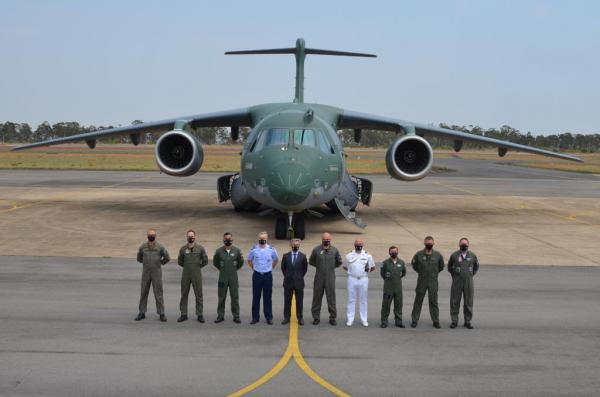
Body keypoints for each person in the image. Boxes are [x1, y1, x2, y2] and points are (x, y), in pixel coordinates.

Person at [135, 228, 170, 322]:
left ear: (155, 236)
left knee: (158, 293)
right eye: (150, 234)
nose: (151, 236)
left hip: (156, 273)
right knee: (143, 292)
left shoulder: (160, 247)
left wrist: (160, 263)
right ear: (147, 236)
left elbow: (167, 257)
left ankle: (161, 313)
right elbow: (139, 258)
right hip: (146, 272)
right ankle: (142, 312)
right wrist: (146, 263)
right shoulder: (143, 247)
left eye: (153, 234)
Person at [410, 236, 444, 329]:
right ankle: (414, 319)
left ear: (433, 243)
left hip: (433, 281)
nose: (429, 244)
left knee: (433, 301)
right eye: (427, 243)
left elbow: (441, 266)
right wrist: (422, 273)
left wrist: (433, 274)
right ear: (424, 243)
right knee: (418, 300)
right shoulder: (418, 254)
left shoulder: (438, 255)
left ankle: (436, 321)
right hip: (422, 281)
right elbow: (414, 265)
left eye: (430, 243)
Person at [310, 232, 343, 326]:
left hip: (330, 278)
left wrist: (330, 268)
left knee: (331, 298)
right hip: (319, 278)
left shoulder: (334, 250)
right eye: (324, 239)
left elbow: (338, 262)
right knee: (317, 298)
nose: (326, 241)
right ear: (322, 239)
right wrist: (321, 267)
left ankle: (332, 318)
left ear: (330, 239)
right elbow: (312, 261)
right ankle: (316, 317)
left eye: (328, 239)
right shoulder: (316, 250)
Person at [447, 237, 479, 329]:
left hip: (469, 282)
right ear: (459, 245)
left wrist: (471, 274)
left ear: (468, 245)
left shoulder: (472, 255)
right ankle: (454, 321)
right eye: (462, 244)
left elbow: (476, 266)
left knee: (468, 302)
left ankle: (467, 321)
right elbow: (449, 267)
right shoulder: (454, 255)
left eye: (465, 244)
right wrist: (455, 275)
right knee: (454, 301)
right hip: (457, 281)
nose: (464, 245)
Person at [177, 230, 208, 323]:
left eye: (192, 236)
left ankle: (199, 314)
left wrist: (197, 267)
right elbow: (180, 261)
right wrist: (187, 267)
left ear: (195, 237)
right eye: (189, 236)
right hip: (186, 274)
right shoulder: (182, 249)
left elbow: (205, 260)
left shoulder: (200, 248)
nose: (191, 237)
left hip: (196, 274)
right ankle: (183, 314)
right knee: (184, 294)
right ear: (187, 237)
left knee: (198, 294)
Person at [247, 231, 279, 325]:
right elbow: (249, 260)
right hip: (257, 275)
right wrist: (254, 268)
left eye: (264, 239)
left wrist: (270, 268)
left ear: (267, 239)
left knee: (267, 297)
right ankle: (255, 318)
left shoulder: (272, 249)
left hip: (267, 276)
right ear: (258, 239)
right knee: (256, 297)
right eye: (260, 239)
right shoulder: (254, 249)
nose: (262, 241)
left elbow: (276, 260)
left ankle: (269, 317)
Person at [343, 239, 375, 327]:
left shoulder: (368, 255)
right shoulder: (349, 255)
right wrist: (353, 272)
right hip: (352, 279)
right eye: (357, 244)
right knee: (351, 299)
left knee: (363, 300)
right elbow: (345, 266)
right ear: (354, 245)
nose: (359, 246)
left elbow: (372, 267)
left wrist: (366, 270)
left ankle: (364, 319)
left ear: (363, 245)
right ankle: (350, 319)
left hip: (363, 279)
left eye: (360, 244)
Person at [213, 232, 244, 324]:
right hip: (222, 278)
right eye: (226, 239)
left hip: (233, 278)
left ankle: (236, 316)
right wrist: (223, 269)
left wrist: (233, 269)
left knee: (235, 297)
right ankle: (220, 316)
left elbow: (240, 263)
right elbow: (215, 263)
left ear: (232, 240)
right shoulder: (218, 251)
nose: (228, 241)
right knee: (221, 297)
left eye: (229, 239)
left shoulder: (237, 251)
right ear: (223, 240)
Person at [281, 238, 308, 325]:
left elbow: (305, 269)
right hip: (288, 282)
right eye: (294, 245)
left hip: (299, 282)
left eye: (297, 245)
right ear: (291, 245)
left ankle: (300, 318)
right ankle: (286, 317)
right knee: (287, 301)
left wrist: (299, 277)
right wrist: (288, 276)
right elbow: (283, 268)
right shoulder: (286, 256)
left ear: (299, 245)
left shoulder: (303, 256)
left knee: (299, 301)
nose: (295, 246)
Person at [380, 246, 406, 328]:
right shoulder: (384, 263)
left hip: (398, 288)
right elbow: (382, 274)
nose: (393, 253)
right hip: (388, 288)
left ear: (397, 252)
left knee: (398, 305)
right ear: (389, 253)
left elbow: (403, 273)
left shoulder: (401, 262)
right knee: (386, 305)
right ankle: (384, 321)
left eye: (395, 252)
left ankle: (398, 321)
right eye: (392, 252)